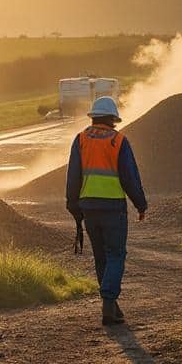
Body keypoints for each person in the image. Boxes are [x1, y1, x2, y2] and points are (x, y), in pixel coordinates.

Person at [65, 96, 147, 326]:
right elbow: (130, 178)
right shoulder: (119, 141)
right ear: (113, 119)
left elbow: (72, 176)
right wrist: (140, 205)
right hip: (113, 209)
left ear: (94, 117)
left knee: (101, 258)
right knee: (116, 255)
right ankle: (108, 304)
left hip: (89, 209)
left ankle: (112, 305)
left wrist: (74, 207)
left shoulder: (80, 140)